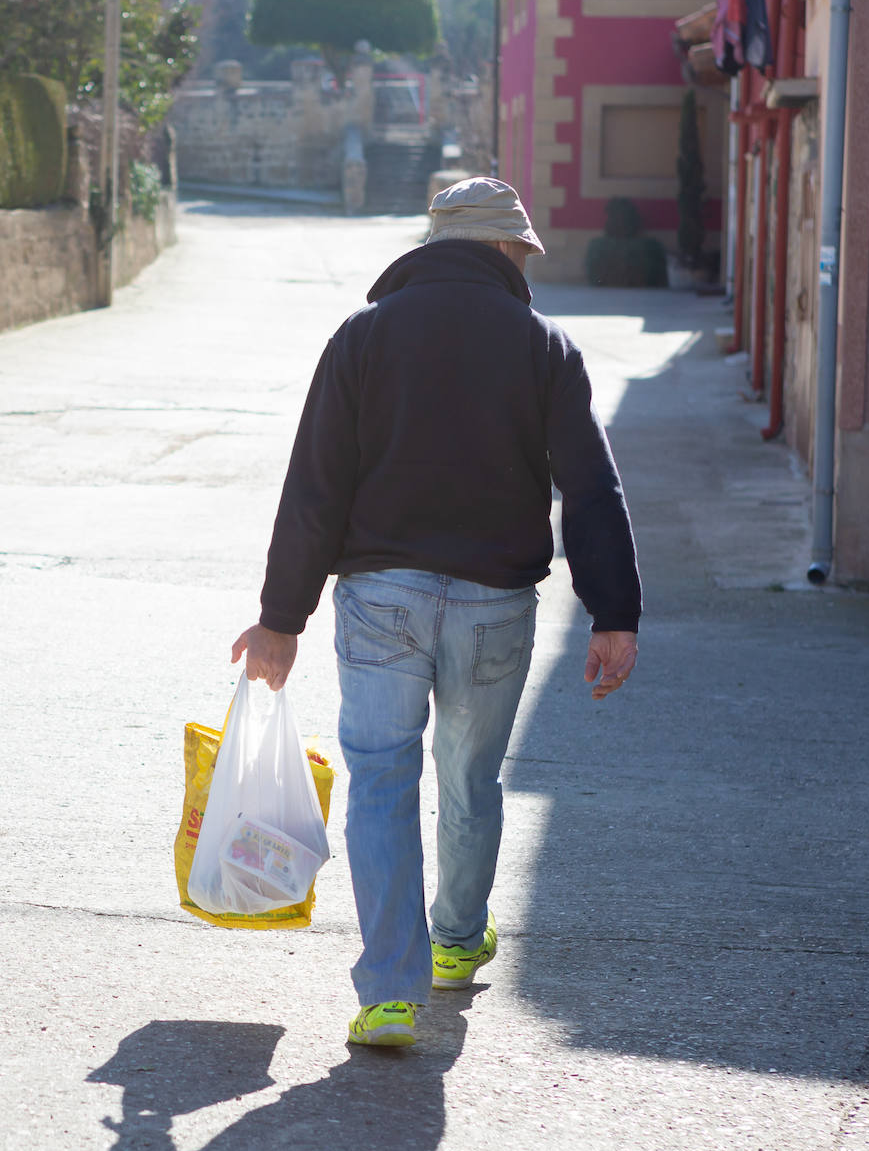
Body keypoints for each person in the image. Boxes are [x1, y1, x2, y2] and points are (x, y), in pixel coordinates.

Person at [231, 177, 641, 1049]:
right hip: (496, 604)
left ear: (432, 245)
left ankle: (388, 992)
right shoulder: (544, 347)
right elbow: (591, 488)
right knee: (469, 778)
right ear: (504, 250)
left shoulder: (362, 337)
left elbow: (315, 487)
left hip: (380, 598)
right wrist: (614, 613)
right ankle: (455, 940)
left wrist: (281, 619)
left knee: (381, 782)